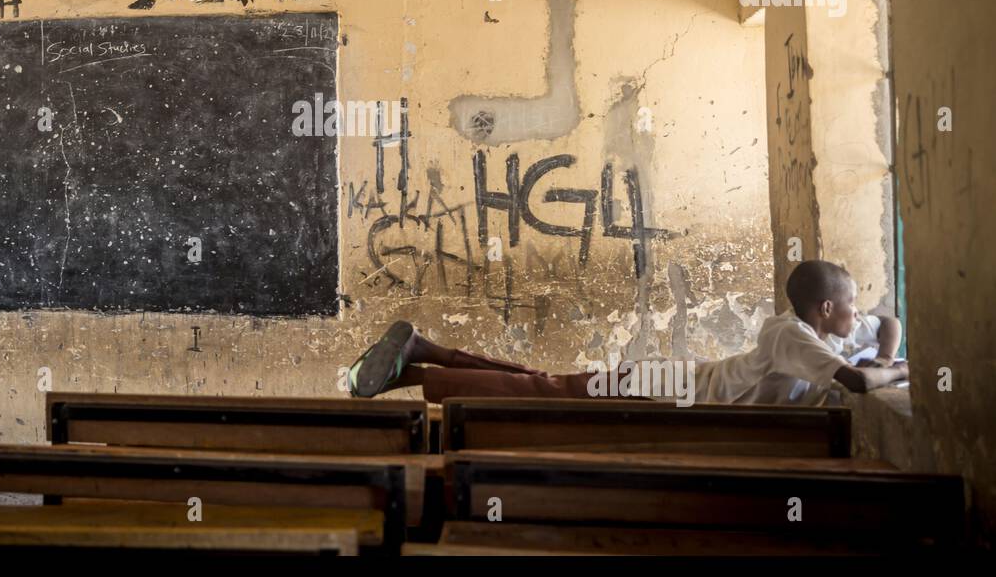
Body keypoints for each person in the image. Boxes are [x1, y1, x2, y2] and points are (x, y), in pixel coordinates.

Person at [346, 259, 908, 406]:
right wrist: (901, 369)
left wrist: (882, 352)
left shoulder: (831, 332)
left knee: (549, 387)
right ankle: (419, 365)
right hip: (666, 390)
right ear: (825, 307)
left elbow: (890, 321)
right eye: (850, 307)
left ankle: (423, 356)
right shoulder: (791, 336)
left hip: (672, 388)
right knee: (548, 393)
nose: (859, 316)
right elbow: (857, 386)